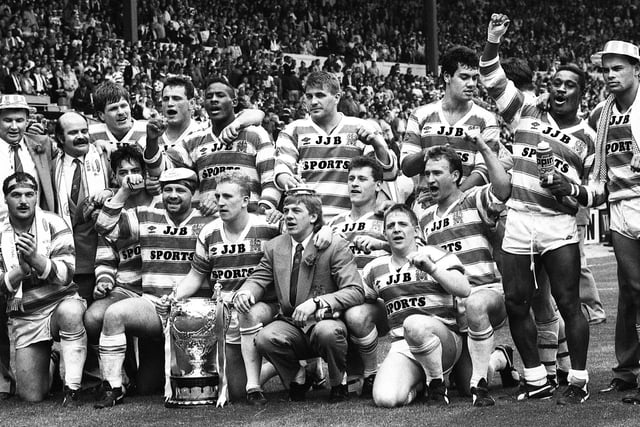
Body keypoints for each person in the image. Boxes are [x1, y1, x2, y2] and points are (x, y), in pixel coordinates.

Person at [480, 13, 593, 404]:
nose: (560, 89)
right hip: (520, 217)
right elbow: (491, 76)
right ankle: (535, 378)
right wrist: (493, 38)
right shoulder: (526, 110)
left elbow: (597, 190)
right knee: (515, 300)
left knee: (567, 302)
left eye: (570, 85)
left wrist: (571, 187)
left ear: (582, 94)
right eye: (556, 82)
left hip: (557, 223)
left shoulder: (588, 139)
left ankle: (578, 379)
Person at [92, 168, 210, 408]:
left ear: (193, 193)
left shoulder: (208, 218)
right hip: (155, 305)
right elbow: (104, 226)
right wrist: (124, 191)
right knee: (114, 314)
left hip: (196, 312)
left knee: (155, 385)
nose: (173, 196)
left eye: (180, 190)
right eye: (168, 190)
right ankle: (113, 386)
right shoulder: (145, 215)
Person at [234, 189, 365, 403]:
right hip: (291, 323)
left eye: (296, 211)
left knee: (328, 332)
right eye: (285, 210)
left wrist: (318, 302)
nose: (288, 216)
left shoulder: (335, 245)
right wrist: (246, 292)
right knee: (265, 338)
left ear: (313, 217)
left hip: (326, 321)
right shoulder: (275, 246)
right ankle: (298, 375)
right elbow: (259, 277)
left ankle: (337, 382)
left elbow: (355, 291)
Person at [162, 171, 281, 404]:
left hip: (263, 308)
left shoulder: (268, 227)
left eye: (228, 196)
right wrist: (172, 297)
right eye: (217, 196)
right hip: (224, 317)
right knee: (235, 392)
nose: (220, 202)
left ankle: (271, 371)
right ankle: (280, 367)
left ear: (246, 200)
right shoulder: (209, 232)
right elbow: (195, 276)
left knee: (249, 312)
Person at [568, 40, 640, 403]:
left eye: (618, 69)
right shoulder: (602, 114)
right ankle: (627, 371)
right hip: (621, 206)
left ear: (636, 70)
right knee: (630, 291)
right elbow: (599, 171)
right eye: (606, 70)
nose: (611, 75)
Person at [419, 141, 518, 406]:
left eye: (437, 173)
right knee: (462, 382)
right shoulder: (425, 218)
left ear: (454, 175)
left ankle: (480, 387)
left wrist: (485, 151)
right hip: (453, 308)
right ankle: (501, 358)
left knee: (475, 303)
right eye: (427, 173)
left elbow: (503, 189)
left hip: (487, 294)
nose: (430, 179)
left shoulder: (473, 198)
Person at [365, 204, 470, 407]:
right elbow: (362, 298)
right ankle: (420, 386)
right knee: (385, 399)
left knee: (414, 324)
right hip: (403, 345)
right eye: (391, 225)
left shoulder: (435, 254)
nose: (396, 229)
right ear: (384, 233)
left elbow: (464, 289)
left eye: (403, 224)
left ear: (416, 230)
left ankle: (437, 385)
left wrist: (432, 269)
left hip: (443, 339)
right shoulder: (374, 268)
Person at [0, 172, 86, 405]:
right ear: (5, 199)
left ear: (37, 196)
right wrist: (21, 270)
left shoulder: (55, 222)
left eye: (29, 194)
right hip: (26, 315)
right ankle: (52, 358)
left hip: (60, 303)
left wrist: (36, 259)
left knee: (71, 312)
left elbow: (67, 275)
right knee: (31, 396)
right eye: (15, 195)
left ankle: (73, 388)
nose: (23, 200)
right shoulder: (1, 232)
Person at [84, 146, 159, 395]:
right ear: (114, 177)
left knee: (149, 386)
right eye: (123, 172)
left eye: (136, 170)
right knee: (94, 317)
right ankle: (123, 370)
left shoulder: (161, 203)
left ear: (146, 173)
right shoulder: (111, 209)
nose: (131, 177)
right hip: (126, 287)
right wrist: (103, 281)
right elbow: (105, 259)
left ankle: (151, 361)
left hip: (157, 291)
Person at [273, 70, 397, 220]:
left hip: (350, 222)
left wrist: (378, 146)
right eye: (309, 96)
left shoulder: (361, 127)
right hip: (309, 222)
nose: (313, 102)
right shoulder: (293, 129)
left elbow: (388, 174)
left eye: (320, 95)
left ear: (337, 97)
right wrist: (287, 179)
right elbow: (281, 170)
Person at [144, 78, 274, 216]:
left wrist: (264, 209)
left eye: (220, 95)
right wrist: (152, 141)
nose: (214, 100)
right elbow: (161, 169)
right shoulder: (195, 140)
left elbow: (269, 177)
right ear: (203, 104)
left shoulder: (255, 134)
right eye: (209, 97)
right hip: (209, 222)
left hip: (250, 219)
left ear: (234, 102)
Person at [0, 94, 56, 399]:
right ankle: (4, 378)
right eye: (7, 119)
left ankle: (44, 359)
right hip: (0, 232)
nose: (14, 125)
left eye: (19, 119)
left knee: (37, 294)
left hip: (33, 230)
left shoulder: (39, 145)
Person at [400, 45, 500, 215]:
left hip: (468, 207)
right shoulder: (420, 114)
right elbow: (406, 167)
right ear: (447, 76)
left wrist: (451, 196)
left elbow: (484, 170)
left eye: (475, 78)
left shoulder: (487, 118)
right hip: (425, 207)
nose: (471, 84)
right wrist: (426, 153)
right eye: (464, 77)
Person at [328, 156, 390, 397]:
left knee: (355, 313)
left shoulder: (388, 217)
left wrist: (382, 244)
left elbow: (413, 249)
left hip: (381, 301)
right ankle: (314, 373)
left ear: (378, 185)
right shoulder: (333, 224)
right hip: (344, 298)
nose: (354, 183)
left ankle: (372, 373)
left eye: (362, 179)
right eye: (351, 178)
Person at [53, 112, 113, 303]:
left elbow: (124, 186)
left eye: (84, 131)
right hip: (66, 259)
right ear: (61, 138)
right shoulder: (52, 165)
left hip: (102, 259)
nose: (81, 136)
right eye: (73, 133)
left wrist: (110, 192)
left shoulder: (104, 158)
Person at [89, 81, 147, 150]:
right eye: (113, 108)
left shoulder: (148, 131)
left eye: (123, 106)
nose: (121, 112)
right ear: (101, 115)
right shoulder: (90, 135)